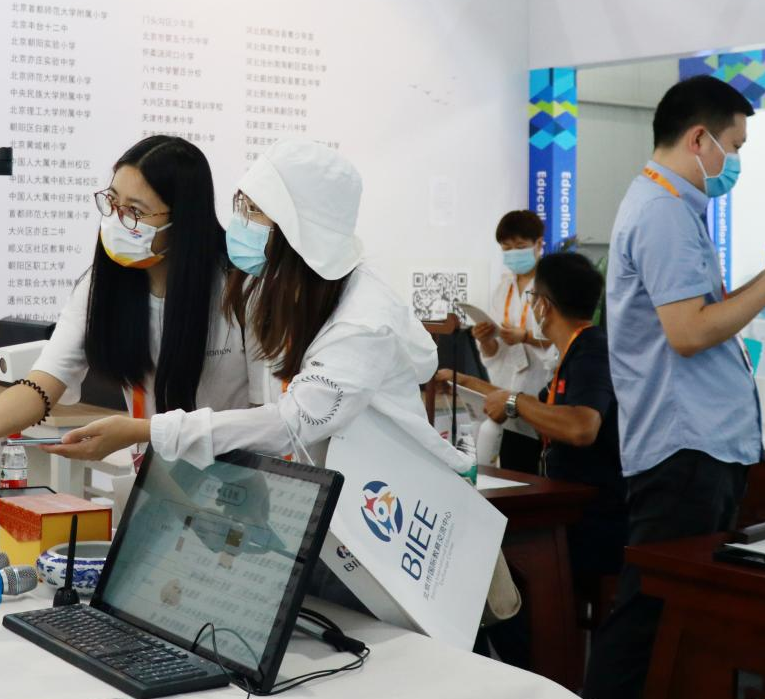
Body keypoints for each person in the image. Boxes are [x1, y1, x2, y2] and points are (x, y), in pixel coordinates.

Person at [570, 75, 765, 699]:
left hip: (698, 445)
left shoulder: (672, 206)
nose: (733, 161)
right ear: (698, 138)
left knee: (669, 621)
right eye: (733, 146)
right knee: (645, 621)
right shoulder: (662, 211)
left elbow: (696, 318)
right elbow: (688, 333)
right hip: (685, 449)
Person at [43, 140, 466, 475]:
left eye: (255, 211)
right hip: (347, 504)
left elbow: (292, 423)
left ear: (299, 228)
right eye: (240, 204)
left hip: (412, 514)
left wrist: (147, 430)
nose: (239, 222)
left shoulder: (363, 320)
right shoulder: (281, 295)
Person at [0, 135, 253, 463]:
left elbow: (268, 415)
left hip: (242, 475)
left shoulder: (241, 288)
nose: (117, 220)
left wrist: (142, 431)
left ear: (182, 220)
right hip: (158, 478)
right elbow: (44, 381)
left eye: (135, 211)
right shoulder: (102, 285)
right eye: (112, 202)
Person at [442, 251, 626, 579]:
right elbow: (534, 407)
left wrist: (514, 400)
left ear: (543, 306)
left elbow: (582, 427)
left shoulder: (592, 351)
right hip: (570, 506)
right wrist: (463, 382)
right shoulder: (572, 353)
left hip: (594, 515)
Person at [471, 210, 555, 471]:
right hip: (506, 387)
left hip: (541, 386)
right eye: (506, 248)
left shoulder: (551, 284)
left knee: (540, 465)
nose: (512, 253)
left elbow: (561, 338)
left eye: (520, 246)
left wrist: (526, 337)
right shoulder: (503, 287)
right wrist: (486, 339)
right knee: (511, 465)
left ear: (538, 244)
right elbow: (494, 352)